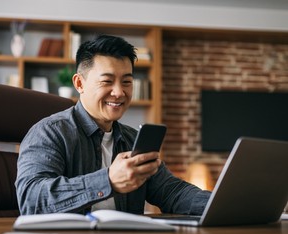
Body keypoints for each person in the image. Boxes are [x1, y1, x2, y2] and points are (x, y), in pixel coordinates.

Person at [15, 34, 211, 215]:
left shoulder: (133, 140)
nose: (118, 92)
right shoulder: (49, 132)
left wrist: (221, 203)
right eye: (107, 81)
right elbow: (31, 200)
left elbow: (172, 192)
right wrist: (107, 181)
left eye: (126, 82)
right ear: (79, 83)